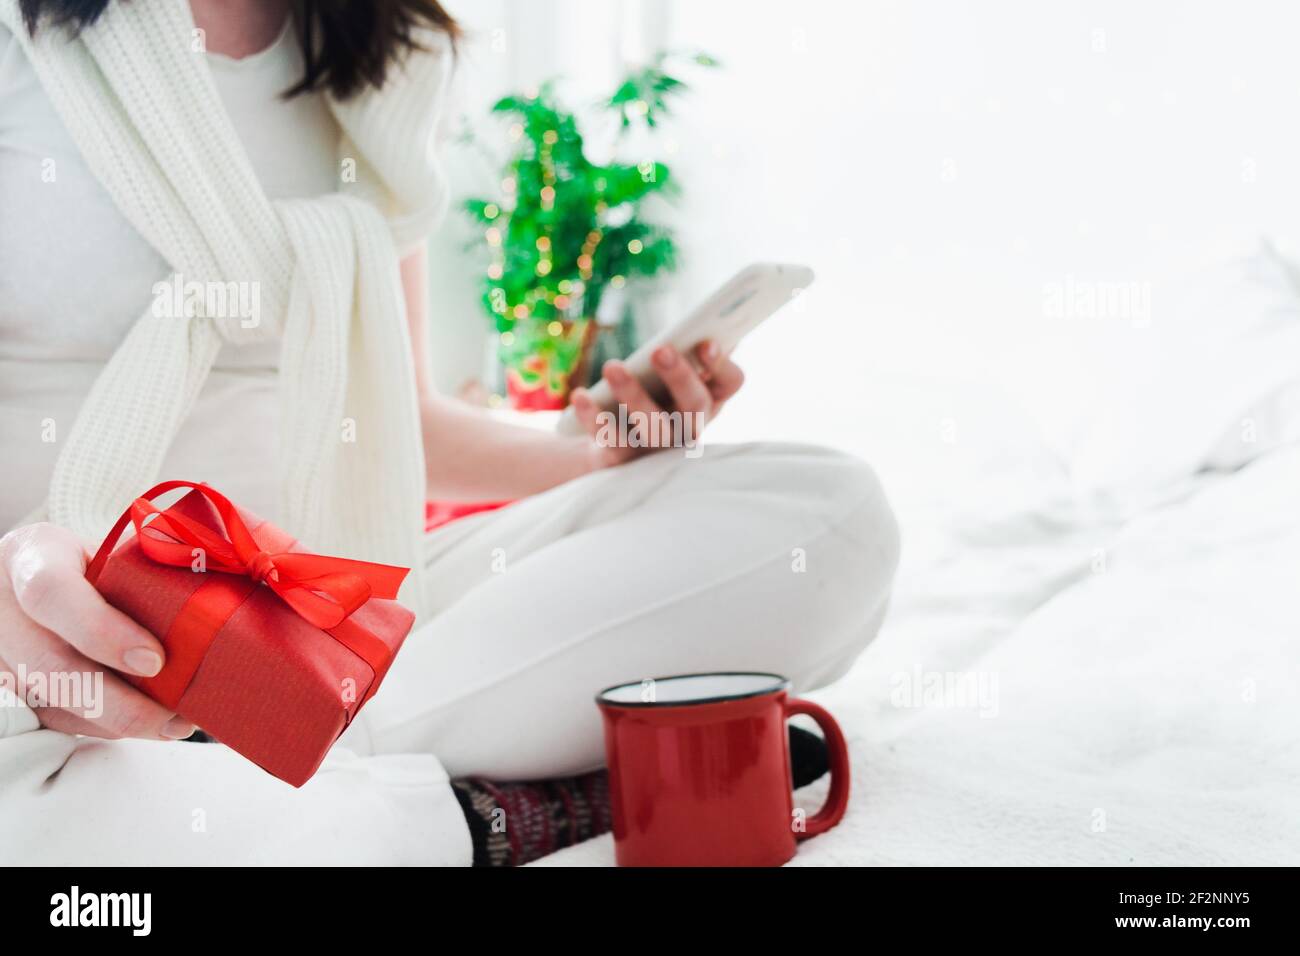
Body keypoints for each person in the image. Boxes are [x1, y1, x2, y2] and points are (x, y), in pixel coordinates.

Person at [0, 0, 899, 865]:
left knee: (831, 517)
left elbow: (405, 422)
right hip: (56, 635)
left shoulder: (383, 63)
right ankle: (489, 813)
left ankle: (278, 763)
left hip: (348, 614)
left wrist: (593, 455)